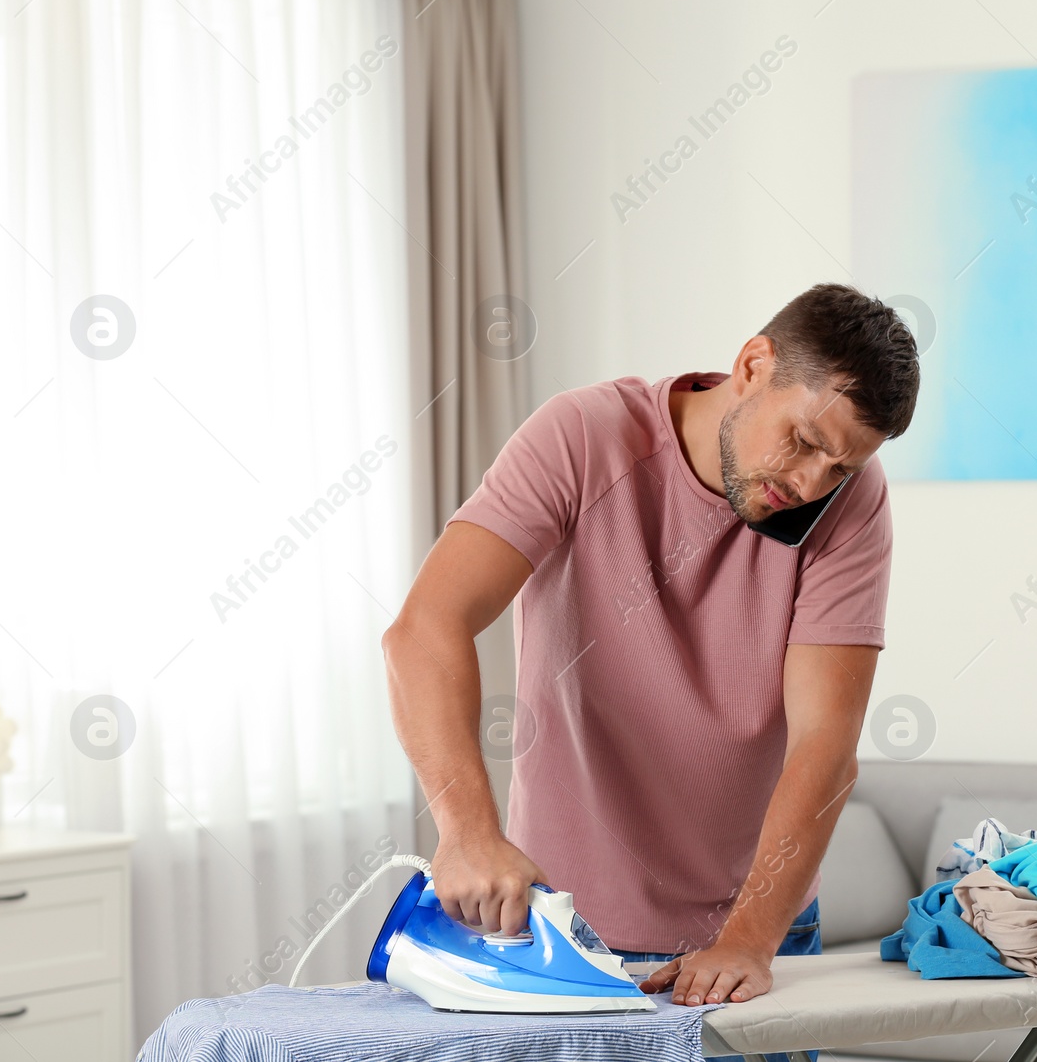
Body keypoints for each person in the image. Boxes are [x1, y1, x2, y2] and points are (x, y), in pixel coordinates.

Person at [382, 283, 920, 1054]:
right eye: (802, 442)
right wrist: (467, 832)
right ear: (752, 363)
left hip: (755, 936)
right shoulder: (585, 437)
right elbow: (424, 628)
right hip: (573, 934)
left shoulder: (852, 504)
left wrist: (748, 939)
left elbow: (823, 748)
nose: (809, 485)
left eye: (839, 466)